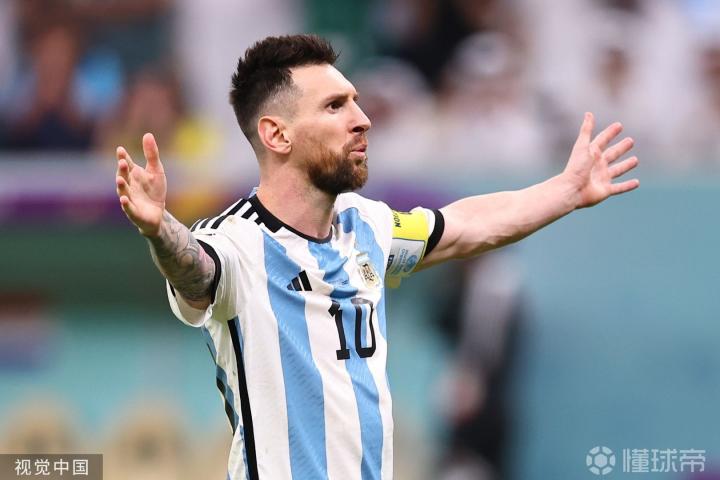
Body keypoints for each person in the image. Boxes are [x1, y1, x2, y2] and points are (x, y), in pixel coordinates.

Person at [114, 34, 639, 480]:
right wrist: (160, 230)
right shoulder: (235, 243)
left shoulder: (366, 226)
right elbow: (196, 270)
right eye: (335, 106)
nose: (362, 119)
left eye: (355, 101)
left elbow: (466, 226)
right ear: (277, 134)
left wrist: (566, 190)